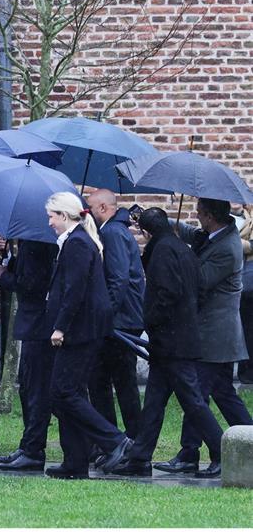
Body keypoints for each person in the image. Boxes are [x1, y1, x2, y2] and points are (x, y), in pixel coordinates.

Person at [103, 208, 224, 477]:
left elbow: (165, 294)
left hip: (171, 341)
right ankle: (139, 459)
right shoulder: (183, 249)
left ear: (146, 233)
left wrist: (152, 322)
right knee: (155, 402)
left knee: (192, 400)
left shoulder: (163, 251)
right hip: (177, 338)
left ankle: (221, 451)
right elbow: (200, 290)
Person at [156, 197, 251, 476]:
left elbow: (200, 281)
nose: (197, 218)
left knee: (194, 394)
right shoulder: (216, 235)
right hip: (214, 334)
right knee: (223, 394)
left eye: (199, 213)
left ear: (209, 216)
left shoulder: (227, 247)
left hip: (215, 334)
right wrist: (164, 224)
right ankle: (246, 443)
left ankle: (194, 453)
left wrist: (178, 257)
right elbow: (188, 232)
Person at [42, 192, 132, 480]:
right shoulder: (76, 241)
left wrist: (61, 327)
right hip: (81, 329)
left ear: (65, 216)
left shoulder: (77, 243)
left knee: (63, 393)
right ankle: (75, 462)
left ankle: (116, 441)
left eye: (52, 216)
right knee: (68, 394)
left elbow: (75, 290)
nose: (50, 221)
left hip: (80, 331)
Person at [0, 237, 58, 471]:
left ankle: (33, 449)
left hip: (39, 325)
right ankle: (29, 445)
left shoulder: (36, 243)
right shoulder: (31, 243)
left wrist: (3, 277)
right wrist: (9, 258)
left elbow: (32, 284)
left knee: (37, 391)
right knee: (30, 388)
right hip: (35, 325)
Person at [86, 188, 145, 438]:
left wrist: (105, 313)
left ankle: (126, 440)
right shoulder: (114, 230)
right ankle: (119, 439)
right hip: (122, 318)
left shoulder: (112, 232)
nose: (87, 213)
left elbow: (118, 278)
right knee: (111, 381)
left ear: (102, 208)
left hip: (119, 321)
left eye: (90, 208)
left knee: (116, 383)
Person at [238, 204, 253, 383]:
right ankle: (246, 372)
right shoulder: (244, 220)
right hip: (243, 279)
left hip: (249, 281)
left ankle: (248, 374)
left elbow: (250, 247)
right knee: (245, 328)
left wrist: (231, 239)